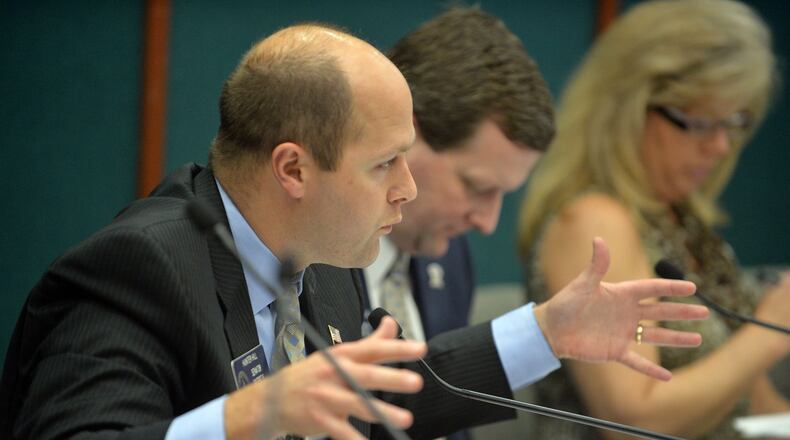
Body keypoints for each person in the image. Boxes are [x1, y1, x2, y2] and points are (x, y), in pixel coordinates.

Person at [1, 21, 705, 440]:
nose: (408, 188)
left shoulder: (321, 257)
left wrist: (547, 334)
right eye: (384, 164)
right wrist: (249, 418)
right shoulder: (137, 268)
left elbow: (382, 393)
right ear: (293, 169)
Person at [363, 7, 704, 438]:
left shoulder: (448, 261)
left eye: (503, 194)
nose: (487, 222)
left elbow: (435, 414)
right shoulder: (313, 254)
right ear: (403, 138)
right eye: (476, 186)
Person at [517, 1, 790, 439]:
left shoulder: (682, 223)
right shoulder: (593, 221)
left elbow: (749, 400)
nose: (721, 146)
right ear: (629, 109)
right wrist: (768, 335)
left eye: (734, 122)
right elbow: (633, 422)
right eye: (700, 123)